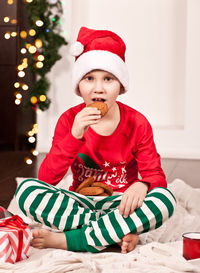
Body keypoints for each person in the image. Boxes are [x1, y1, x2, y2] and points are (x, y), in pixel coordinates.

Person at [15, 27, 176, 254]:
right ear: (78, 87)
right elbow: (47, 178)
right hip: (79, 203)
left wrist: (143, 184)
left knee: (165, 199)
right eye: (89, 78)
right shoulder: (69, 120)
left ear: (120, 86)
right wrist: (75, 135)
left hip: (121, 205)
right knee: (27, 190)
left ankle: (74, 239)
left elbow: (156, 176)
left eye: (108, 79)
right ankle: (114, 233)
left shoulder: (137, 123)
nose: (98, 88)